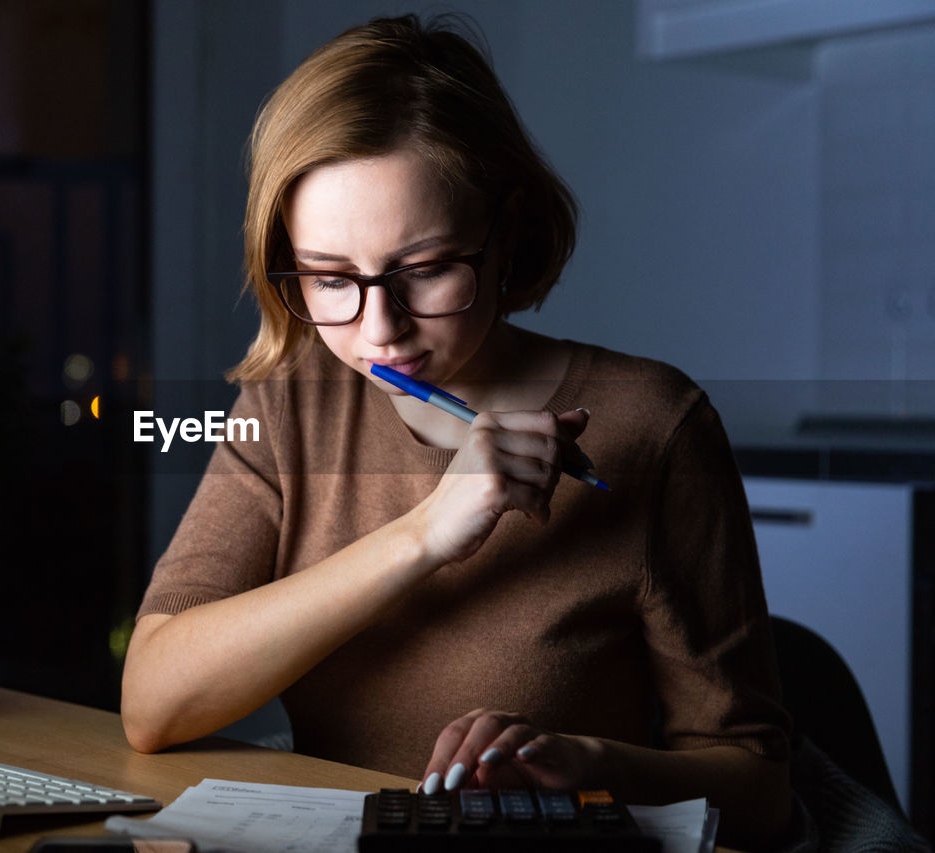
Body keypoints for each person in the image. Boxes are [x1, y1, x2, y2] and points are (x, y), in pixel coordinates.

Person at [122, 13, 791, 848]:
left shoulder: (656, 424)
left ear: (505, 232)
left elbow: (763, 790)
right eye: (331, 279)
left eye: (426, 270)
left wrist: (592, 765)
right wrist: (425, 534)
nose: (379, 333)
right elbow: (152, 703)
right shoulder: (291, 406)